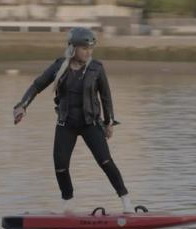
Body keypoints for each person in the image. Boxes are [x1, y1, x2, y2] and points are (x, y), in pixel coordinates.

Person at [13, 27, 134, 213]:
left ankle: (126, 200)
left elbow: (106, 97)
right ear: (73, 48)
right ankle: (67, 202)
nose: (88, 52)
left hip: (90, 123)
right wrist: (22, 105)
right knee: (60, 165)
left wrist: (109, 122)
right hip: (66, 123)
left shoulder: (96, 68)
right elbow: (37, 85)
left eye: (90, 48)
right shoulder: (59, 66)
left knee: (105, 161)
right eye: (84, 48)